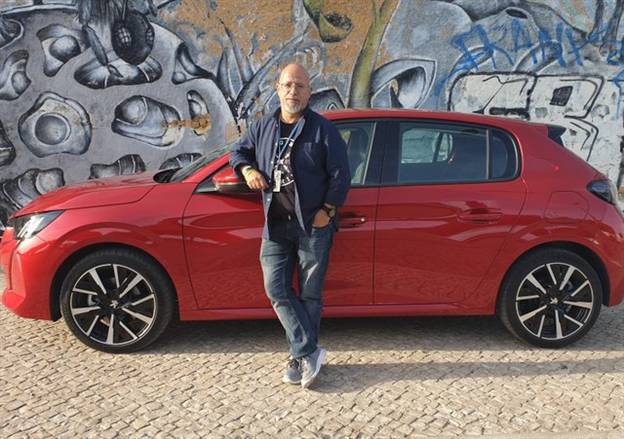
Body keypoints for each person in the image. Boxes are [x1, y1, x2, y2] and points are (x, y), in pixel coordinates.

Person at [230, 63, 350, 389]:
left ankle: (298, 357)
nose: (292, 91)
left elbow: (341, 174)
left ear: (309, 92)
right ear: (278, 88)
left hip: (312, 224)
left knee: (310, 294)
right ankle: (308, 350)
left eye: (299, 86)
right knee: (276, 288)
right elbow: (238, 152)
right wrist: (247, 171)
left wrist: (327, 210)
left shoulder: (323, 130)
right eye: (287, 85)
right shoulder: (263, 127)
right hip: (276, 224)